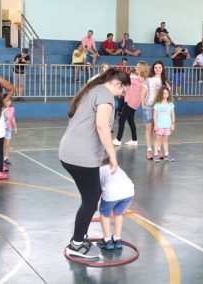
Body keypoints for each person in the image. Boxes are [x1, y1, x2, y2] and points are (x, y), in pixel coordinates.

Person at [59, 69, 131, 259]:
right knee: (91, 200)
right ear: (117, 84)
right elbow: (101, 126)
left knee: (92, 196)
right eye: (123, 91)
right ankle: (76, 243)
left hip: (69, 152)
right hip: (81, 156)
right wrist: (112, 156)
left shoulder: (93, 89)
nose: (121, 96)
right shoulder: (106, 96)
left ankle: (80, 237)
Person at [96, 158, 134, 250]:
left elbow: (98, 188)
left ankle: (107, 240)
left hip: (112, 193)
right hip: (129, 192)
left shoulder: (101, 170)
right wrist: (125, 208)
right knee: (118, 213)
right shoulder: (120, 170)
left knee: (104, 214)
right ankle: (117, 239)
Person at [113, 61, 149, 146]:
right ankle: (134, 140)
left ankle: (118, 139)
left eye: (137, 67)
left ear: (140, 69)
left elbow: (126, 79)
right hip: (134, 103)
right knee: (130, 121)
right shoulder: (140, 79)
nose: (135, 68)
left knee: (122, 119)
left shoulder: (136, 79)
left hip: (131, 103)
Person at [141, 61, 170, 160]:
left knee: (158, 131)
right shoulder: (148, 80)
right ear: (153, 69)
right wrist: (143, 105)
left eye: (160, 67)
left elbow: (168, 95)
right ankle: (149, 150)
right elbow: (143, 93)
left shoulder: (165, 81)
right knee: (149, 129)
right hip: (149, 107)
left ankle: (157, 150)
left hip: (160, 109)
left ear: (163, 69)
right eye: (156, 67)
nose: (158, 69)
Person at [153, 87, 175, 162]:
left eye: (167, 93)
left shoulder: (170, 104)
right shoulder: (157, 104)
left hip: (167, 126)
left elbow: (172, 114)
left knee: (165, 140)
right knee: (157, 140)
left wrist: (172, 124)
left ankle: (166, 155)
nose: (165, 95)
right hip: (159, 125)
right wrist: (155, 125)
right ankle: (155, 154)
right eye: (164, 93)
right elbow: (155, 115)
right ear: (160, 94)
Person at [3, 94, 17, 166]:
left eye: (9, 101)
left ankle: (6, 158)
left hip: (8, 129)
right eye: (6, 101)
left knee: (7, 145)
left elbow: (13, 118)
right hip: (1, 129)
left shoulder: (12, 109)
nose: (8, 102)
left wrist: (15, 127)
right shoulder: (1, 109)